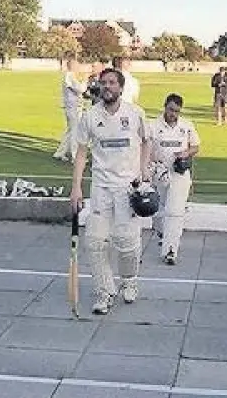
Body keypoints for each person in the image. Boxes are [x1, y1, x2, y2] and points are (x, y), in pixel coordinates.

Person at [70, 68, 151, 315]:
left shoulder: (135, 113)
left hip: (127, 188)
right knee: (95, 242)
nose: (107, 87)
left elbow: (147, 141)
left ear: (121, 87)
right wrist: (76, 187)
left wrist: (143, 170)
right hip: (101, 188)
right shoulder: (91, 116)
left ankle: (129, 282)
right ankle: (104, 292)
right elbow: (82, 152)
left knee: (127, 243)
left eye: (112, 83)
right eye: (103, 83)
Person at [149, 93, 200, 265]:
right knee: (160, 210)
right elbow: (146, 150)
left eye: (177, 111)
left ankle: (170, 250)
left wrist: (185, 153)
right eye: (171, 110)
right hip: (159, 172)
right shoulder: (153, 126)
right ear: (165, 106)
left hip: (179, 173)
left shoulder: (186, 126)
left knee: (175, 212)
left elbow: (196, 146)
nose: (173, 114)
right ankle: (162, 233)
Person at [53, 56, 87, 162]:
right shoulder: (70, 76)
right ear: (72, 66)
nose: (78, 67)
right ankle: (75, 156)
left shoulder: (69, 76)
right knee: (75, 131)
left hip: (72, 106)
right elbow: (80, 89)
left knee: (70, 130)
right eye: (77, 65)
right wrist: (86, 80)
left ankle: (60, 153)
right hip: (73, 107)